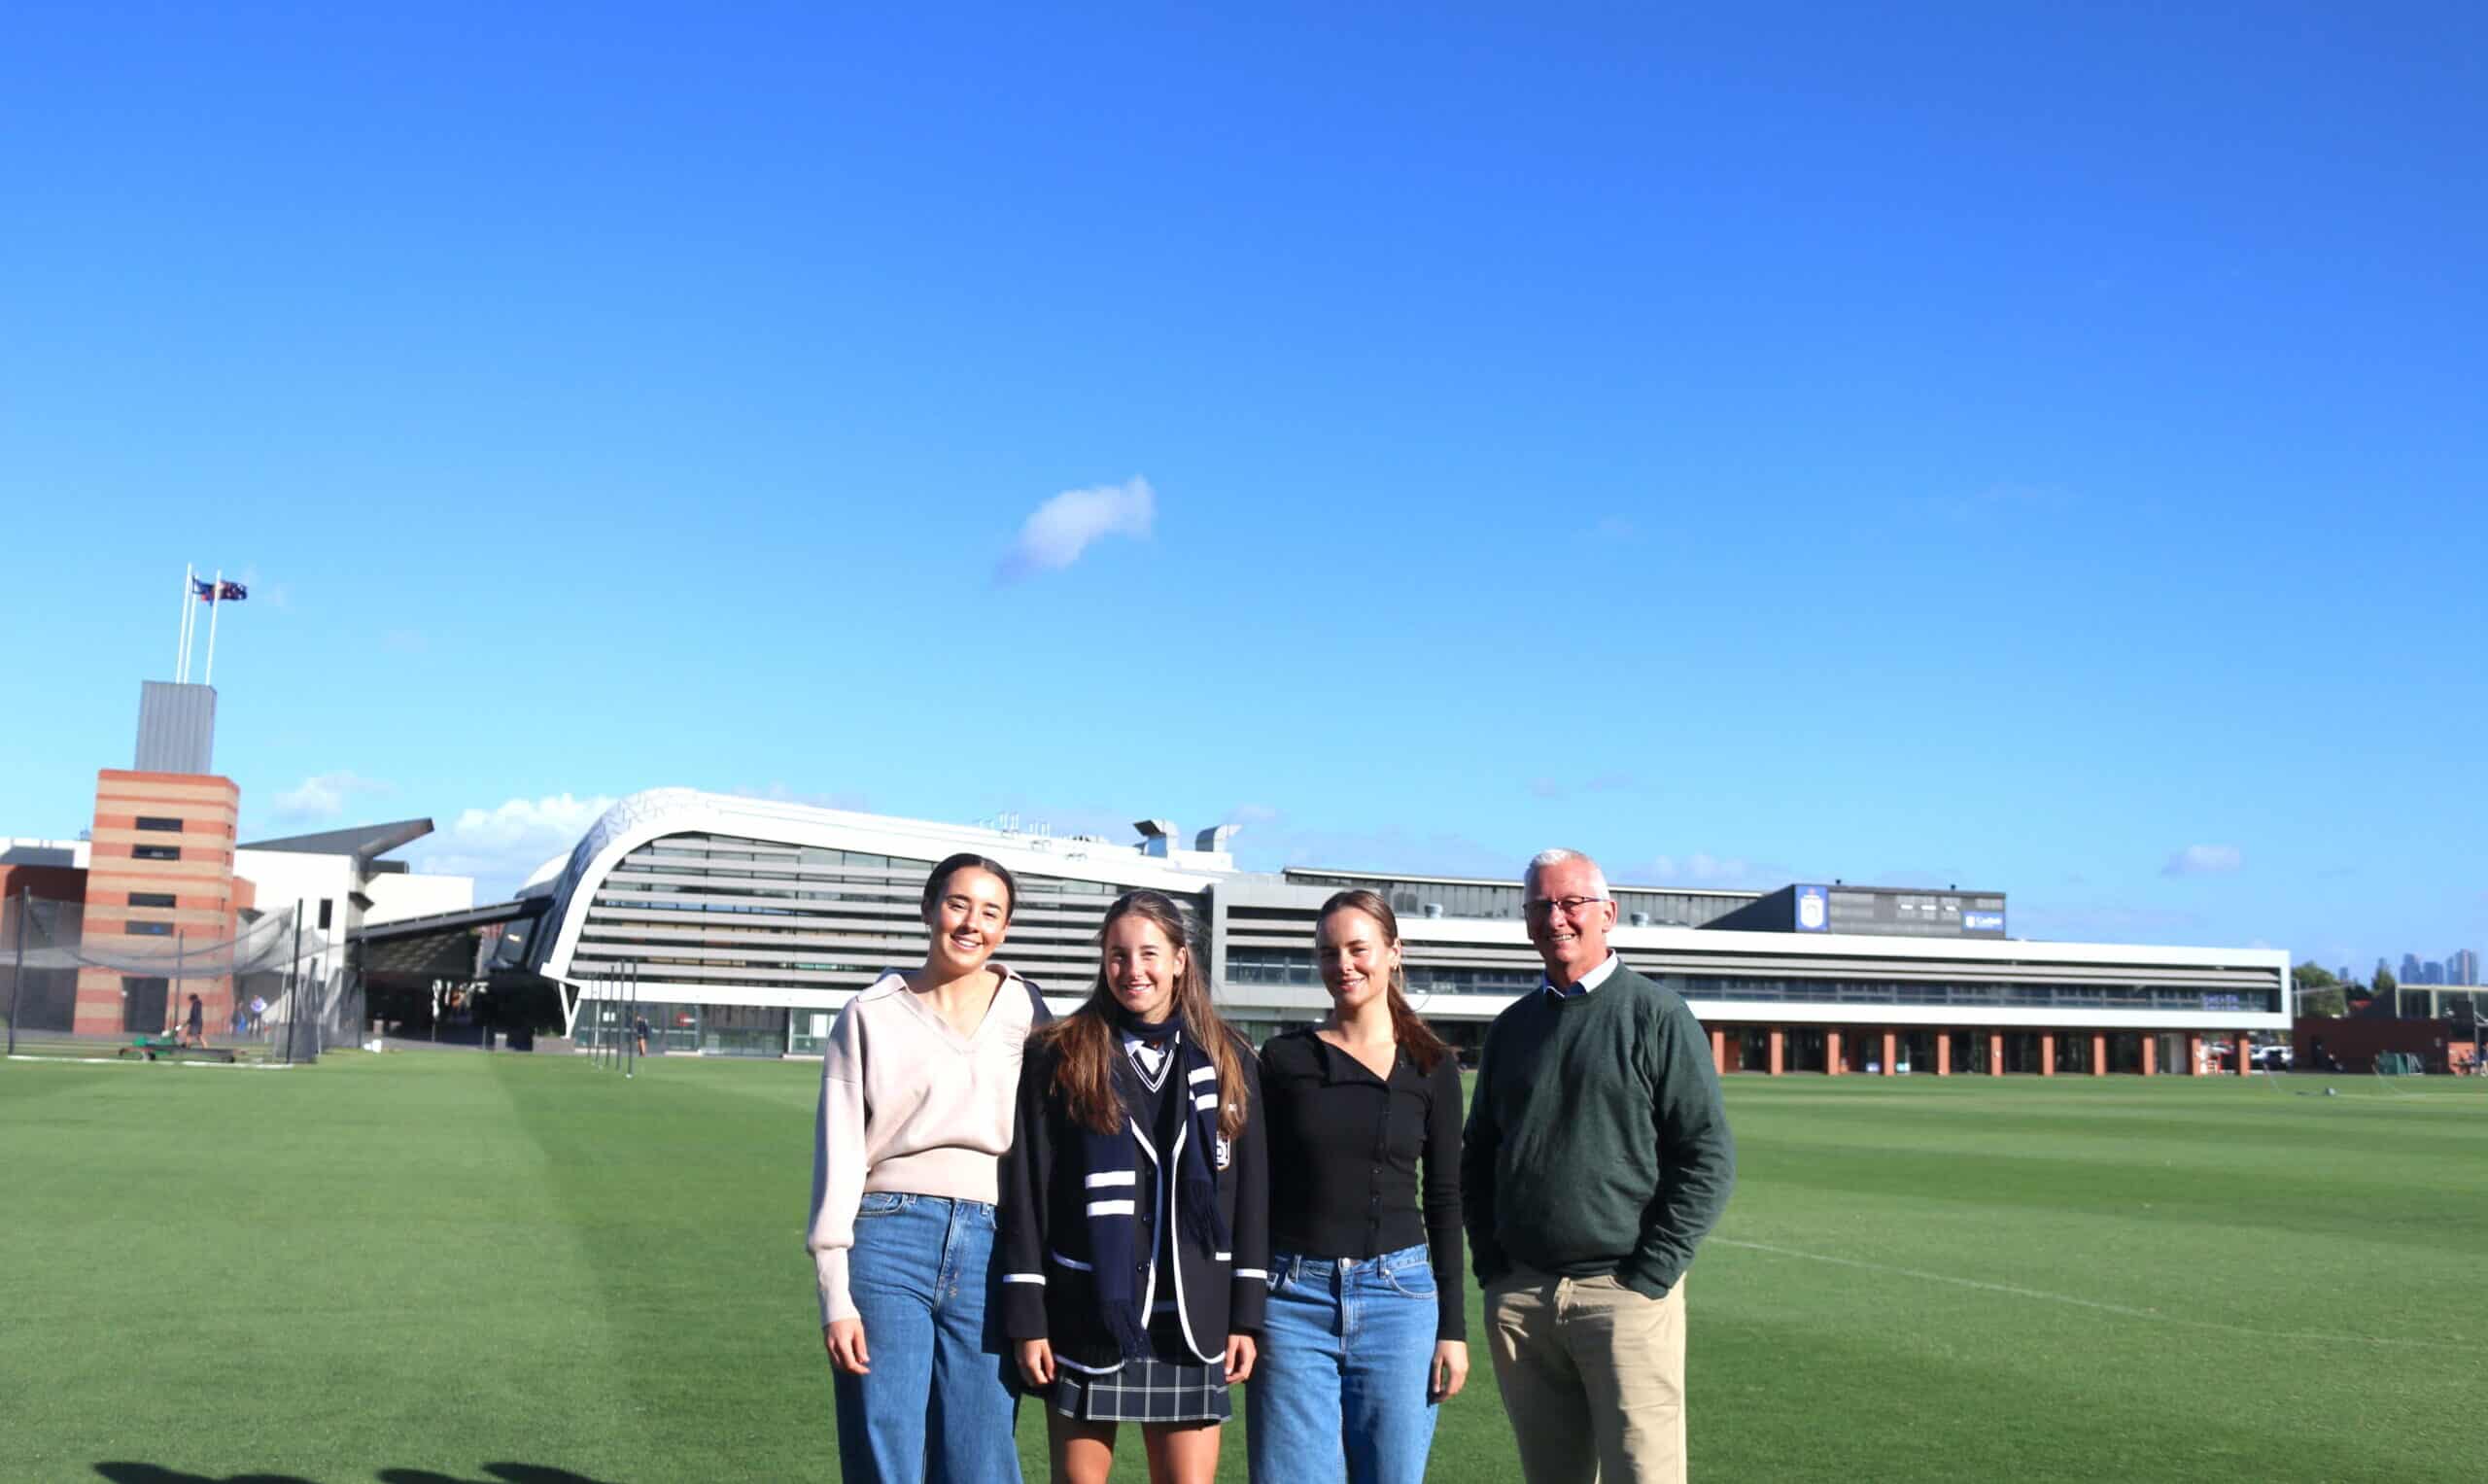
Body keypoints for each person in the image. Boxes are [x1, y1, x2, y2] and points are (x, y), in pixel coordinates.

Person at [1464, 848, 1735, 1484]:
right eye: (1540, 905)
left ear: (1607, 913)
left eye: (1570, 902)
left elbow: (1708, 1155)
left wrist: (1651, 1273)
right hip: (1523, 1300)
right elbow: (1477, 1155)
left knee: (1644, 1473)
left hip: (1622, 1296)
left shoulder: (1656, 1015)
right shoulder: (1512, 1028)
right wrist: (1492, 1264)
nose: (1556, 917)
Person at [1000, 889, 1268, 1484]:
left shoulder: (1231, 1058)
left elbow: (1250, 1197)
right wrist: (1028, 1317)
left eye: (1149, 953)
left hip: (1191, 1320)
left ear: (1179, 959)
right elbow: (1027, 1191)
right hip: (1087, 1310)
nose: (1132, 970)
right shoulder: (1059, 1054)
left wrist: (1246, 1316)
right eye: (1117, 955)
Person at [806, 852, 1049, 1484]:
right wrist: (835, 1293)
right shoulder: (867, 1013)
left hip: (995, 1246)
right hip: (887, 1238)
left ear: (1005, 929)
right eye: (958, 904)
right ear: (929, 909)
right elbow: (839, 1157)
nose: (972, 923)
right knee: (885, 1441)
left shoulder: (1029, 1013)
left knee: (982, 1450)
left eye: (991, 911)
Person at [1250, 889, 1467, 1484]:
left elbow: (1445, 1199)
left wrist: (1453, 1328)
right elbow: (1257, 1188)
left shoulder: (1431, 1065)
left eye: (1357, 949)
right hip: (1292, 1299)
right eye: (1327, 952)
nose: (1342, 964)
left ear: (1395, 952)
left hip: (1400, 1301)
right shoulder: (1284, 1058)